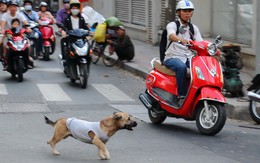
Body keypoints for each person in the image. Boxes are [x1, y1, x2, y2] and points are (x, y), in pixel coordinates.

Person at [163, 0, 203, 105]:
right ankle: (182, 96)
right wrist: (181, 40)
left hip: (189, 57)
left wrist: (213, 49)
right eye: (184, 11)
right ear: (178, 12)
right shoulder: (173, 25)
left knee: (201, 68)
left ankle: (197, 94)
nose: (187, 13)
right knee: (181, 67)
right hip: (172, 57)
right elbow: (171, 35)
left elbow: (201, 43)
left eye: (190, 11)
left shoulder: (194, 28)